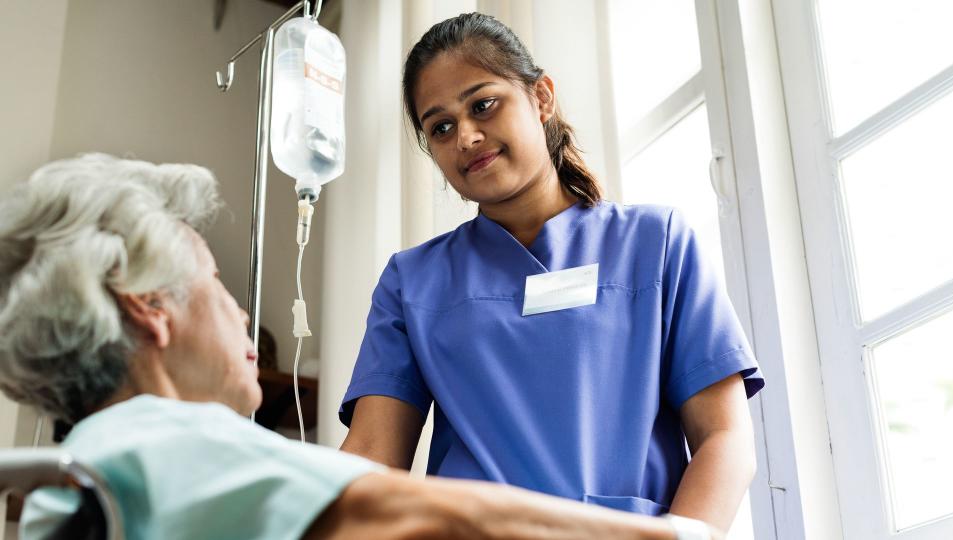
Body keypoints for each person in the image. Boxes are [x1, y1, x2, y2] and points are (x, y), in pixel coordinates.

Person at [0, 154, 717, 539]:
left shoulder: (79, 471)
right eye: (216, 284)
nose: (242, 314)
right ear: (149, 308)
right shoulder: (159, 438)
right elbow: (403, 517)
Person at [339, 12, 764, 533]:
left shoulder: (656, 243)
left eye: (483, 105)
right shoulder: (412, 281)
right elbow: (372, 457)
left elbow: (726, 439)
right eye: (441, 127)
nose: (467, 137)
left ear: (541, 97)